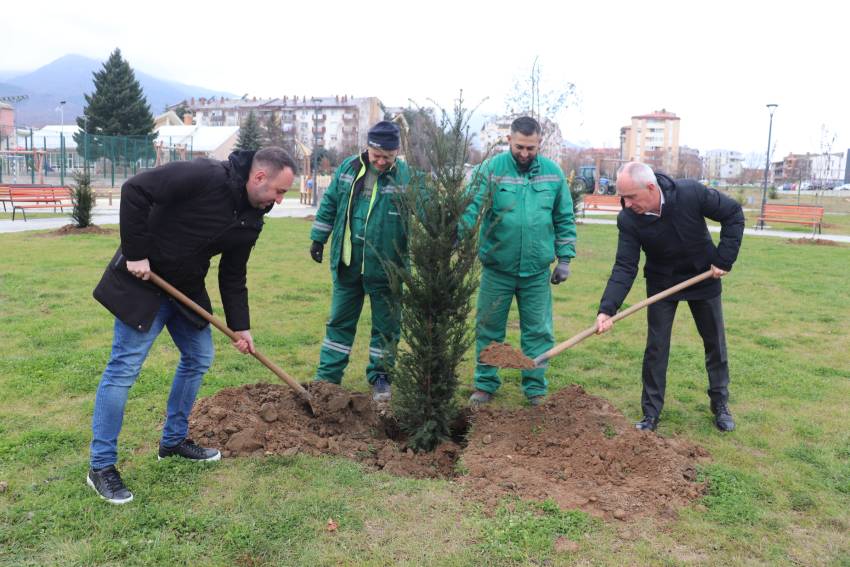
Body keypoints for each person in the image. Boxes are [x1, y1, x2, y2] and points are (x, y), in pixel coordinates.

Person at [88, 147, 296, 504]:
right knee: (123, 369)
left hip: (185, 290)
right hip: (144, 282)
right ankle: (101, 467)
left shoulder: (252, 217)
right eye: (279, 191)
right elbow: (135, 189)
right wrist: (136, 252)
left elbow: (233, 274)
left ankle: (172, 442)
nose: (279, 200)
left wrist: (241, 326)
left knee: (199, 356)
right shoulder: (204, 176)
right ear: (259, 177)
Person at [596, 162, 744, 432]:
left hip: (703, 275)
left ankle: (720, 403)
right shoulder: (628, 219)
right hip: (662, 283)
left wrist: (724, 259)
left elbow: (733, 213)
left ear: (651, 188)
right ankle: (650, 414)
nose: (627, 204)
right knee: (656, 347)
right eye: (623, 197)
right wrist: (607, 309)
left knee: (715, 344)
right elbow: (625, 266)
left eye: (631, 197)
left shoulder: (690, 193)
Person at [461, 116, 576, 406]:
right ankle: (485, 384)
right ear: (509, 141)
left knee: (538, 331)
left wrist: (565, 259)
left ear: (540, 144)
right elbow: (471, 205)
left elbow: (564, 217)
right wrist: (456, 233)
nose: (525, 154)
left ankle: (535, 388)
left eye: (531, 148)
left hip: (536, 271)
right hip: (497, 268)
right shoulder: (491, 169)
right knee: (489, 327)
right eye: (520, 147)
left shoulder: (553, 174)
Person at [309, 121, 410, 401]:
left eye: (387, 158)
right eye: (376, 155)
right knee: (339, 322)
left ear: (396, 153)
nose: (380, 161)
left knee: (387, 327)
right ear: (368, 148)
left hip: (387, 268)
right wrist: (319, 237)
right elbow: (330, 203)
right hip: (348, 264)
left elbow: (423, 208)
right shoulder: (348, 168)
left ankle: (381, 376)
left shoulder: (405, 176)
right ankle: (328, 379)